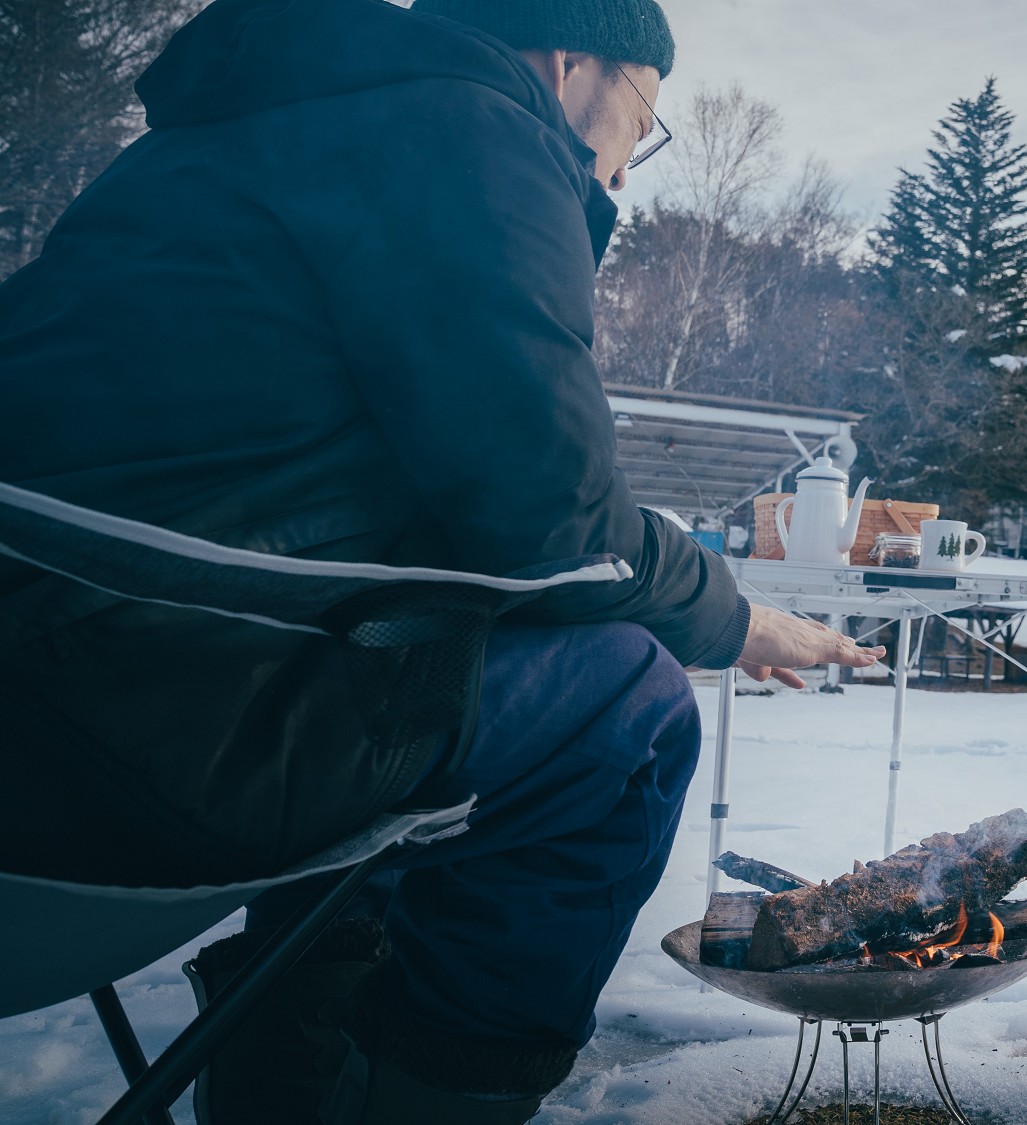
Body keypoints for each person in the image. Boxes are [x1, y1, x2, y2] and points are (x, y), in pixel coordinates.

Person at [0, 0, 882, 1120]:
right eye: (641, 124)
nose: (623, 169)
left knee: (412, 674)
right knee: (630, 709)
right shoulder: (470, 131)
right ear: (576, 64)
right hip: (136, 741)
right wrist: (732, 618)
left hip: (42, 690)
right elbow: (550, 525)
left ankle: (284, 1080)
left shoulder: (215, 139)